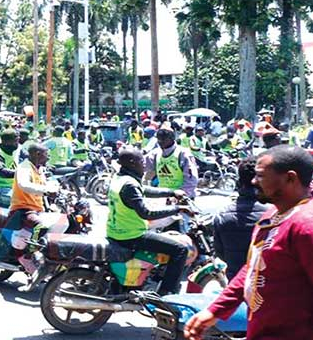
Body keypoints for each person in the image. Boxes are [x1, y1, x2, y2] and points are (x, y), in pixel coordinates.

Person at [185, 146, 313, 340]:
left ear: (290, 178)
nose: (254, 182)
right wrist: (216, 310)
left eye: (261, 176)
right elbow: (254, 267)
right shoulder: (272, 215)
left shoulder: (306, 226)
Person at [107, 147, 191, 295]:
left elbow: (143, 190)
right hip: (131, 235)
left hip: (116, 231)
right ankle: (166, 293)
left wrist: (172, 192)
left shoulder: (120, 179)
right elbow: (147, 213)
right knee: (180, 250)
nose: (145, 164)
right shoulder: (129, 185)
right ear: (132, 163)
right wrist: (178, 209)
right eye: (141, 161)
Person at [213, 157, 270, 279]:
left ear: (239, 182)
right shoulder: (274, 213)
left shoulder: (222, 215)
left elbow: (220, 252)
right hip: (265, 282)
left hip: (235, 281)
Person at [9, 143, 60, 274]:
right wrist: (46, 191)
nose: (48, 157)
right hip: (22, 208)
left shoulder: (39, 168)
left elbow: (47, 183)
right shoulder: (24, 168)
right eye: (46, 154)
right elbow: (24, 185)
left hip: (38, 208)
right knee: (41, 226)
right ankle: (29, 257)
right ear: (37, 155)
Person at [144, 127, 199, 198]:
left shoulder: (183, 154)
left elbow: (191, 178)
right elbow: (142, 165)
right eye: (159, 139)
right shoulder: (155, 153)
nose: (160, 142)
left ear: (171, 139)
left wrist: (183, 194)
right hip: (163, 195)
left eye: (163, 139)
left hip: (182, 196)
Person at [0, 129, 28, 208]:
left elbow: (28, 156)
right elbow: (2, 172)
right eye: (15, 141)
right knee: (23, 202)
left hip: (15, 186)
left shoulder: (17, 147)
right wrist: (22, 173)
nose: (18, 143)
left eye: (18, 140)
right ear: (6, 142)